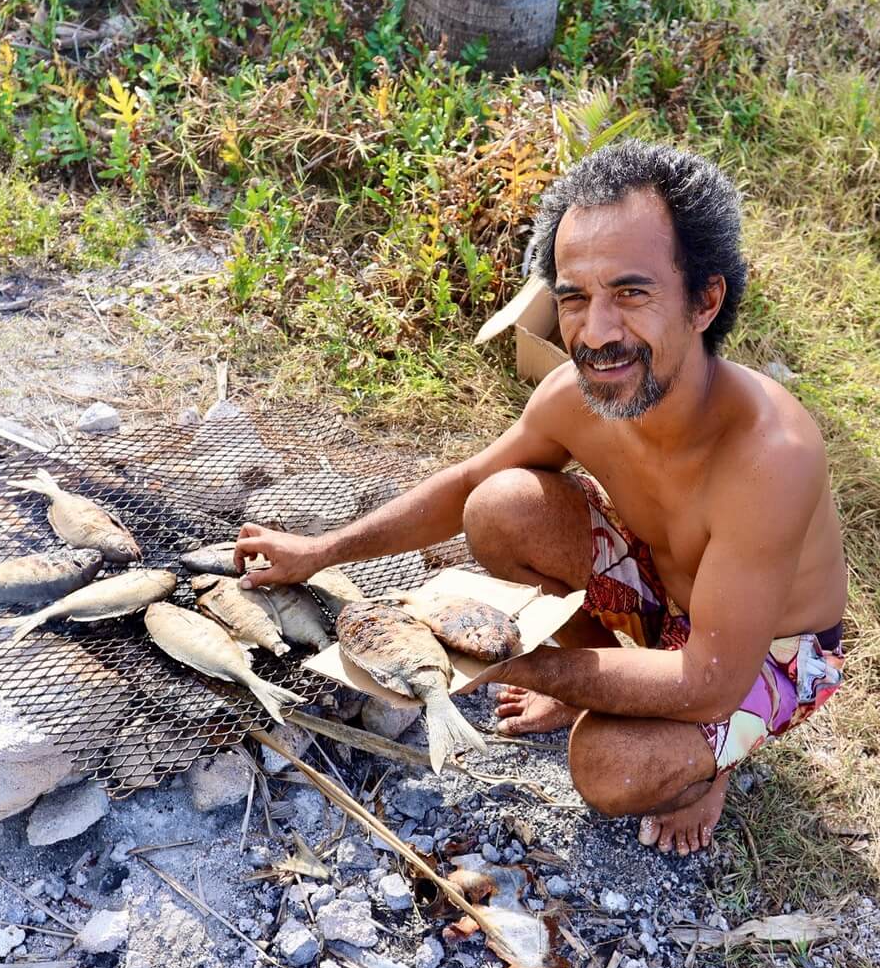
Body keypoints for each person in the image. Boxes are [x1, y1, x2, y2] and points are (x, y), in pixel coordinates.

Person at [236, 140, 846, 855]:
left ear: (704, 301)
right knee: (501, 504)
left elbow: (707, 679)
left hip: (756, 652)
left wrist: (502, 664)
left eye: (632, 293)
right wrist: (319, 551)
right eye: (574, 298)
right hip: (658, 588)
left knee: (609, 767)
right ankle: (595, 684)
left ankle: (713, 764)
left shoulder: (771, 456)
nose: (597, 332)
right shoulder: (575, 396)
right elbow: (466, 486)